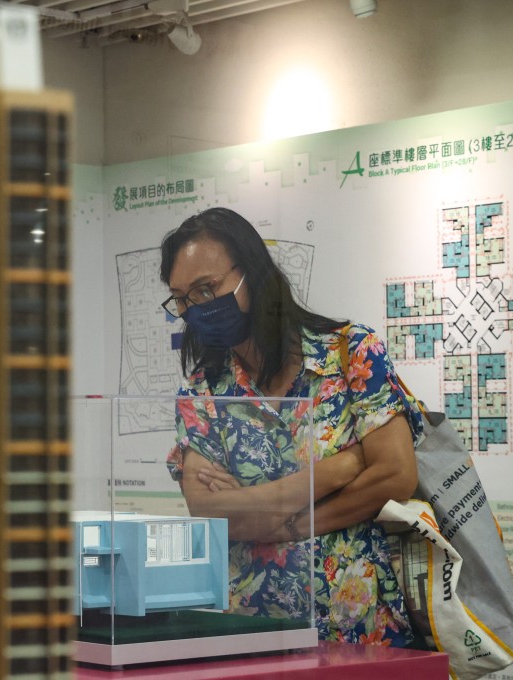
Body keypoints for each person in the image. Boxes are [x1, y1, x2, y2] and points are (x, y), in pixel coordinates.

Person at [159, 207, 423, 647]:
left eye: (207, 289)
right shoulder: (204, 390)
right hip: (250, 630)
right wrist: (340, 471)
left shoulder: (350, 353)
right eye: (183, 299)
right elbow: (209, 510)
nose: (196, 309)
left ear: (253, 274)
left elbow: (397, 475)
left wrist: (290, 523)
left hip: (357, 631)